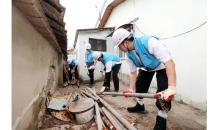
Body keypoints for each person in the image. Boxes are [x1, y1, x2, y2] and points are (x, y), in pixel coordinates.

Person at [112, 28, 176, 130]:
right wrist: (131, 89)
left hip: (161, 65)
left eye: (119, 46)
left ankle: (162, 117)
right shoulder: (128, 55)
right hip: (146, 67)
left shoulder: (150, 42)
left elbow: (169, 63)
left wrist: (172, 88)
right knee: (140, 85)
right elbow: (133, 72)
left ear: (126, 42)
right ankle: (140, 106)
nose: (119, 49)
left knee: (163, 91)